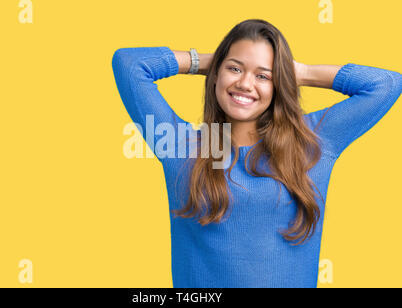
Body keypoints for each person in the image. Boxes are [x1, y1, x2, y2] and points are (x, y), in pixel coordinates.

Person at [111, 19, 402, 288]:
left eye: (264, 75)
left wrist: (294, 71)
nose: (245, 84)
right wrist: (210, 63)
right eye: (234, 69)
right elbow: (129, 63)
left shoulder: (312, 140)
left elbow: (386, 84)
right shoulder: (182, 145)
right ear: (216, 75)